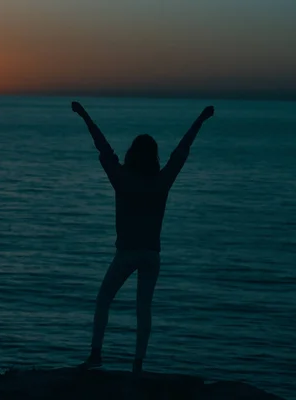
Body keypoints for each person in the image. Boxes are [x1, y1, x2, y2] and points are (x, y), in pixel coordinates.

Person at [72, 101, 215, 374]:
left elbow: (103, 148)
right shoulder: (161, 182)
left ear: (132, 154)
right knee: (143, 308)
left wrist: (85, 115)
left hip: (126, 253)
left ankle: (96, 354)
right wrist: (201, 119)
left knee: (104, 299)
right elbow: (181, 153)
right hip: (152, 254)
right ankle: (137, 363)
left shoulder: (122, 178)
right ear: (154, 157)